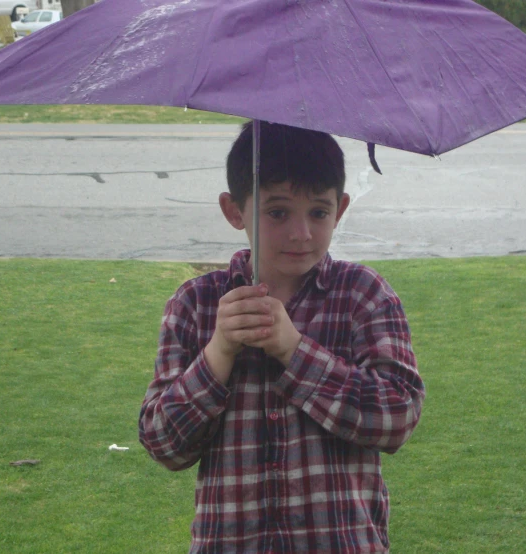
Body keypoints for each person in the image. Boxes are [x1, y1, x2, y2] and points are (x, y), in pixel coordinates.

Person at [139, 121, 425, 553]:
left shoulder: (364, 295)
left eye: (318, 212)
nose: (301, 233)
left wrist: (294, 350)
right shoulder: (196, 304)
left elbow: (397, 419)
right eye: (277, 212)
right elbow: (165, 446)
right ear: (234, 210)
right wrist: (219, 351)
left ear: (341, 209)